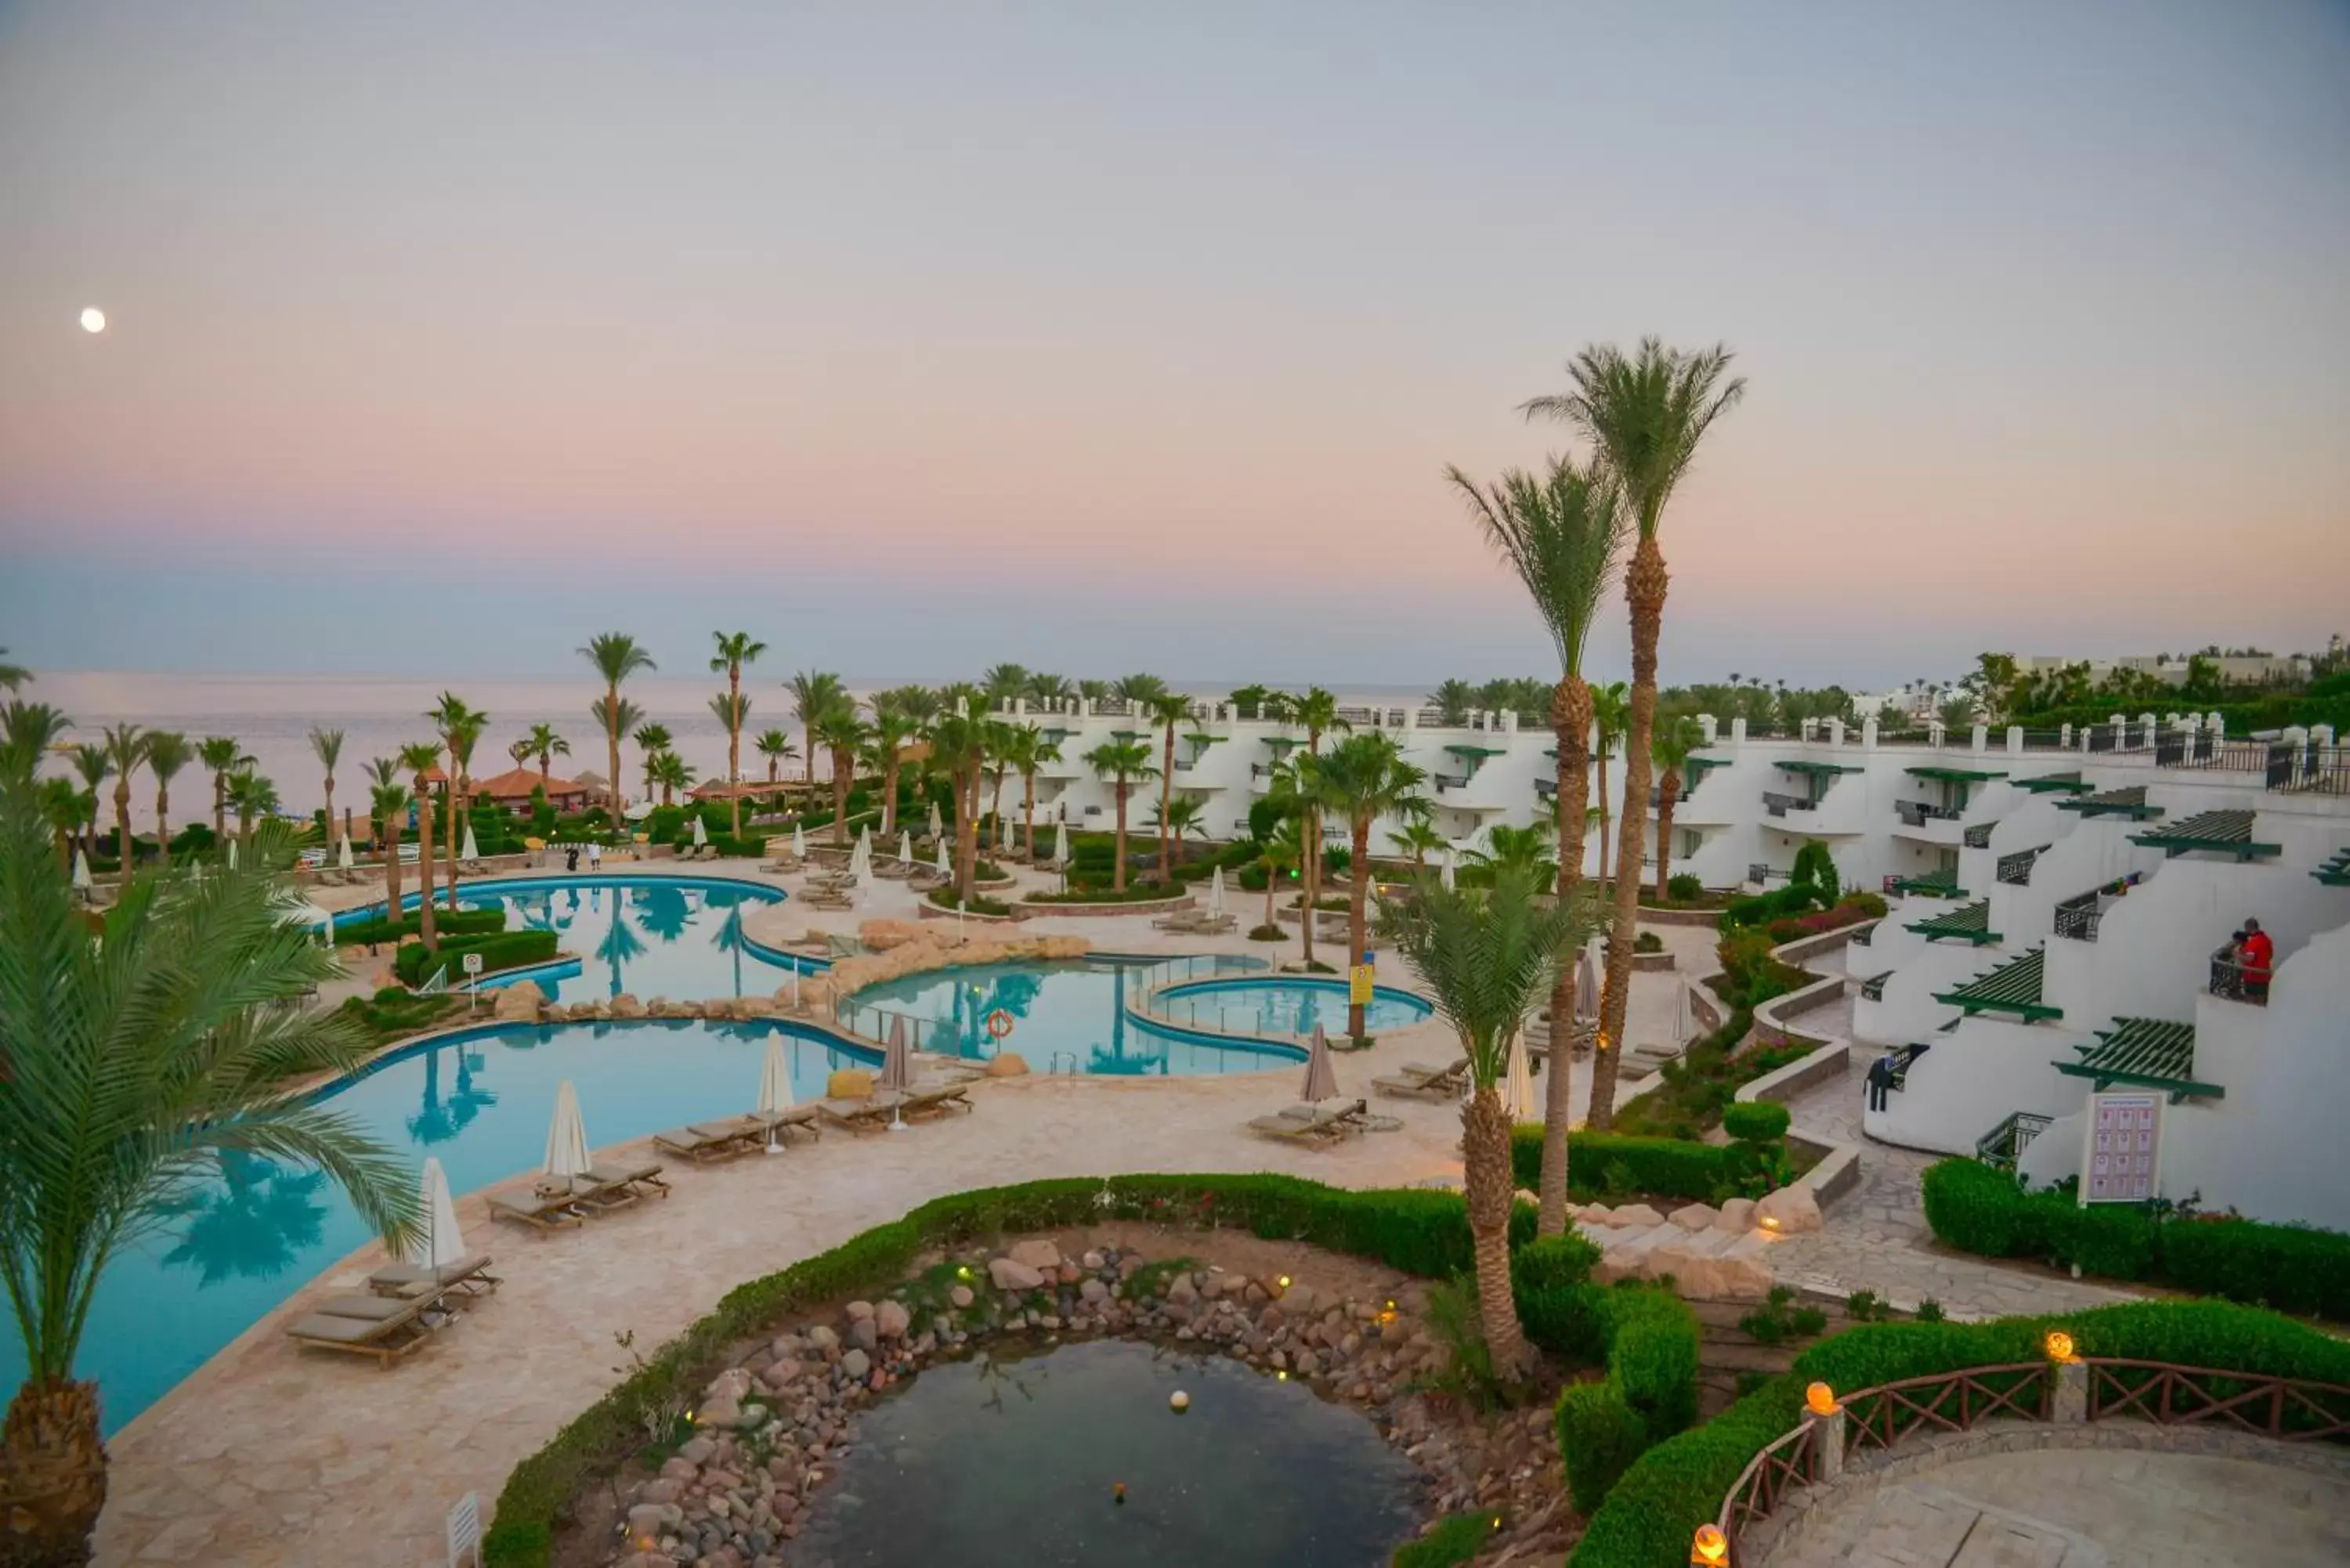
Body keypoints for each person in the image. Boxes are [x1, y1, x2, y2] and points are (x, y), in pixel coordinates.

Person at [2238, 917, 2273, 1003]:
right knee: (2261, 1003)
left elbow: (2249, 959)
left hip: (2253, 977)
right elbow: (2270, 955)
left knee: (2250, 1004)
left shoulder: (2254, 942)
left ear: (2249, 928)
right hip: (2264, 976)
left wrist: (2237, 955)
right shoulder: (2266, 939)